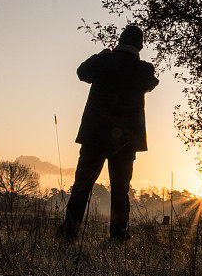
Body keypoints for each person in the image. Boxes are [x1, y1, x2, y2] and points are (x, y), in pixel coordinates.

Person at [56, 25, 159, 241]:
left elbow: (82, 72)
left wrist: (100, 55)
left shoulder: (103, 61)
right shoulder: (143, 69)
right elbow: (151, 85)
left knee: (82, 187)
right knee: (120, 191)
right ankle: (118, 236)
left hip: (94, 137)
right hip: (126, 141)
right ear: (140, 45)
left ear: (120, 40)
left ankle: (69, 232)